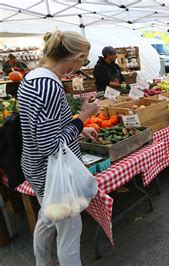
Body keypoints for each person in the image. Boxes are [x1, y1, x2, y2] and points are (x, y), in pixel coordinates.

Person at [17, 30, 99, 266]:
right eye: (82, 60)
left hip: (35, 167)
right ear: (77, 56)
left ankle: (42, 261)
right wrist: (82, 118)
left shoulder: (33, 77)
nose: (80, 65)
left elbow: (42, 126)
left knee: (46, 217)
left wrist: (78, 128)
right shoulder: (50, 87)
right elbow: (50, 145)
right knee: (70, 233)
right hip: (52, 173)